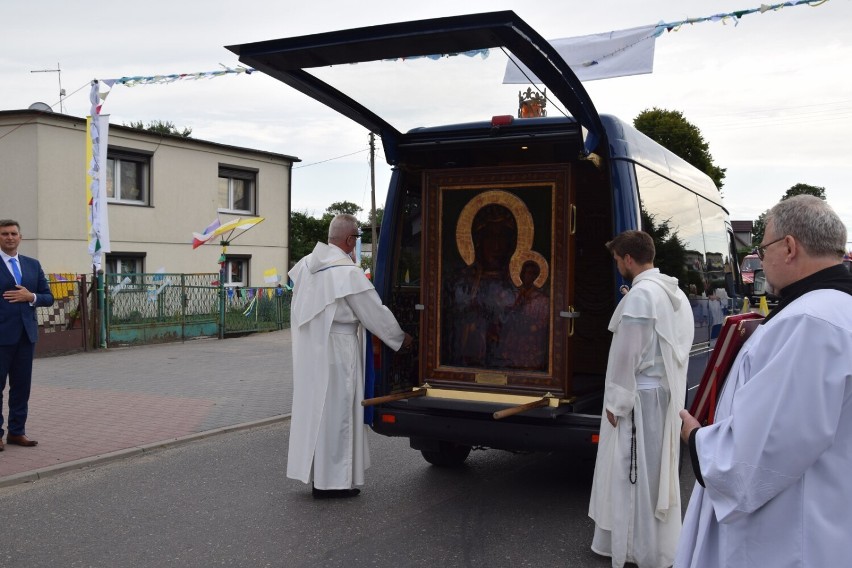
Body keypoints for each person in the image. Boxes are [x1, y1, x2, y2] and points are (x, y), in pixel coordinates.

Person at [676, 195, 852, 568]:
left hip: (785, 534)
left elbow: (757, 455)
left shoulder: (808, 323)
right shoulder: (834, 311)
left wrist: (696, 438)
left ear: (789, 247)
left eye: (764, 247)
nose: (761, 258)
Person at [287, 214, 412, 499]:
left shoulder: (307, 265)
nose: (356, 244)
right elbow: (373, 311)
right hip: (340, 350)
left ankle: (321, 477)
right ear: (349, 240)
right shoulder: (346, 272)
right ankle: (334, 483)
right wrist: (399, 337)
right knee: (340, 413)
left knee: (319, 414)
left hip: (312, 350)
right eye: (356, 237)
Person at [589, 230, 694, 568]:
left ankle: (635, 549)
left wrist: (615, 404)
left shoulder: (641, 296)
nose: (618, 265)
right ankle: (654, 546)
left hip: (638, 400)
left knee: (630, 474)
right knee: (653, 475)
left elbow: (626, 356)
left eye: (618, 260)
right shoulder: (672, 291)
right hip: (663, 397)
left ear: (629, 259)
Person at [0, 219, 54, 450]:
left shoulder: (32, 265)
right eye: (4, 234)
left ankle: (17, 432)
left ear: (20, 237)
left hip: (26, 336)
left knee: (22, 387)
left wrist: (30, 297)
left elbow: (48, 297)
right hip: (1, 336)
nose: (9, 237)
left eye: (13, 233)